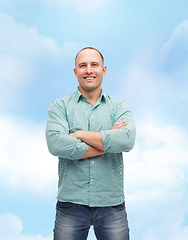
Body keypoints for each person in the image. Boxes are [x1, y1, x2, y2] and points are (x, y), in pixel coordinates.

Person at [46, 47, 136, 240]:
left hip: (111, 203)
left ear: (103, 70)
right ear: (75, 71)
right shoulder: (60, 107)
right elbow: (55, 144)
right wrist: (108, 141)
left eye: (94, 65)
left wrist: (78, 134)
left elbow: (127, 140)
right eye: (83, 65)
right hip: (70, 203)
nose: (88, 70)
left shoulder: (118, 107)